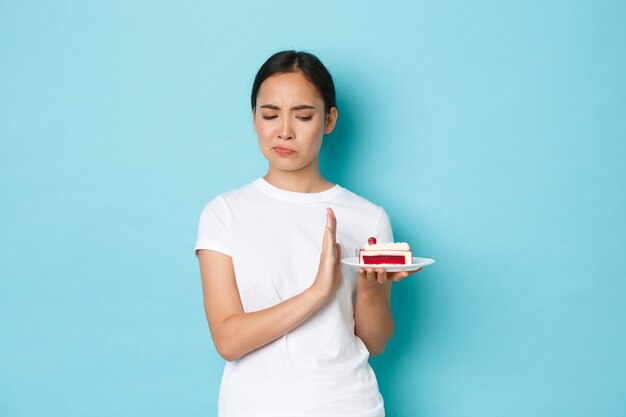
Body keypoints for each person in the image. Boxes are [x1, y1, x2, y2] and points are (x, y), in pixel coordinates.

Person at [194, 50, 421, 417]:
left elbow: (374, 342)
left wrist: (370, 289)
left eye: (303, 116)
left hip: (349, 404)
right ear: (253, 118)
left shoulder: (368, 217)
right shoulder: (224, 213)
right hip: (254, 407)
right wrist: (316, 292)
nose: (284, 130)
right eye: (270, 114)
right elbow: (228, 339)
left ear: (329, 120)